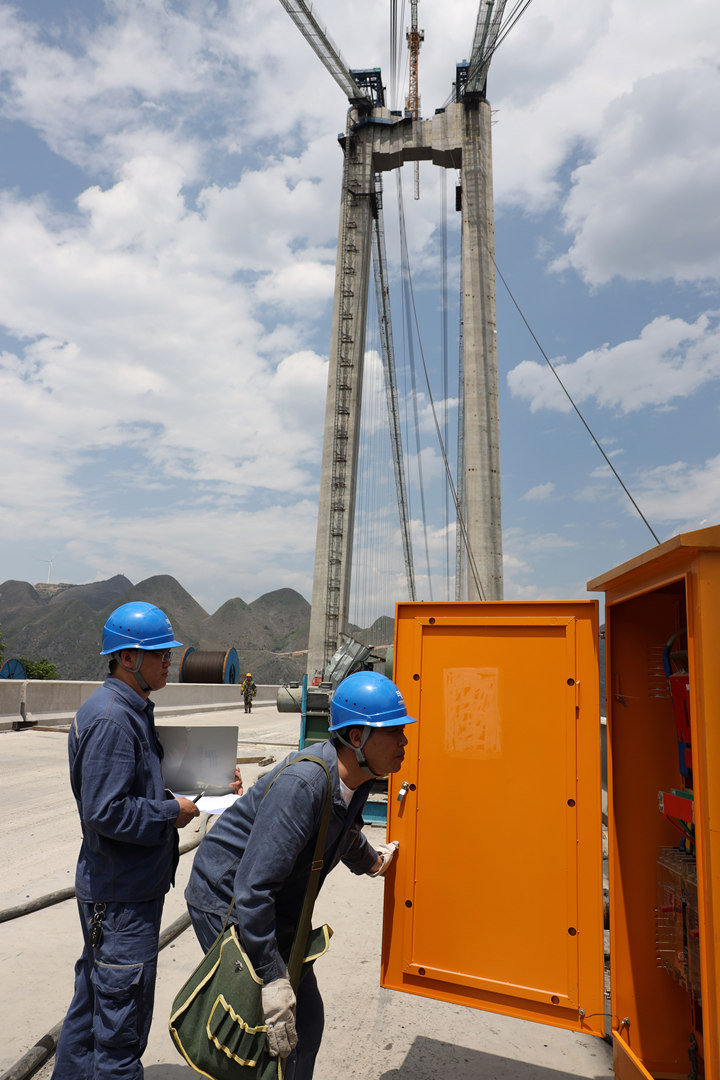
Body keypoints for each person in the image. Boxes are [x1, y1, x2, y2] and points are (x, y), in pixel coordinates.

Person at [184, 669, 416, 1080]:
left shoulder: (357, 779)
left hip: (271, 899)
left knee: (304, 1022)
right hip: (226, 898)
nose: (404, 741)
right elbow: (253, 891)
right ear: (358, 738)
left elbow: (340, 830)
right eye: (393, 731)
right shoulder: (304, 785)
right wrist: (272, 979)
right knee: (263, 1022)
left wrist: (373, 863)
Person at [52, 602, 201, 1080]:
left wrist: (206, 784)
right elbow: (105, 811)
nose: (168, 661)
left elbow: (134, 786)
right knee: (121, 1025)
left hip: (120, 889)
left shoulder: (128, 709)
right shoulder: (115, 719)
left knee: (93, 1004)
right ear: (128, 658)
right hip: (121, 897)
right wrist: (169, 813)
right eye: (159, 654)